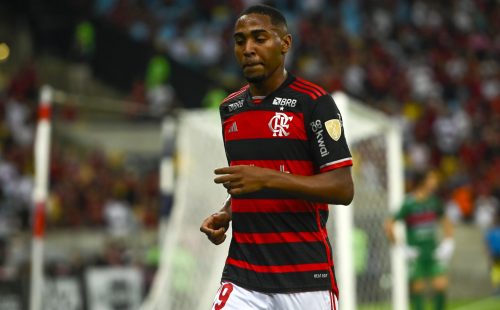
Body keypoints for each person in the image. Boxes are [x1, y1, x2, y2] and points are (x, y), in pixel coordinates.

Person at [199, 4, 354, 310]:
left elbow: (342, 188)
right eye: (240, 40)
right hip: (244, 276)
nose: (248, 49)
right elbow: (250, 183)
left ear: (285, 44)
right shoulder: (230, 109)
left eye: (259, 38)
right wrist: (228, 212)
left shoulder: (314, 103)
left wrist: (266, 178)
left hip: (305, 277)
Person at [385, 170, 454, 310]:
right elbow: (389, 225)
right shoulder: (409, 203)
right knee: (418, 288)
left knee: (441, 285)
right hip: (416, 253)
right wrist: (400, 247)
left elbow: (446, 221)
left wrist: (448, 242)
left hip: (433, 251)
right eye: (432, 178)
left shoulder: (434, 201)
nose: (435, 182)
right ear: (423, 181)